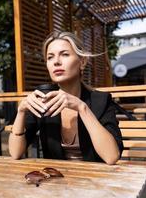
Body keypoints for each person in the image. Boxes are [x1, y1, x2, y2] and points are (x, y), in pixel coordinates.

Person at [9, 31, 123, 165]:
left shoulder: (101, 100)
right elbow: (15, 153)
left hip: (96, 180)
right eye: (50, 57)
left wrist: (82, 108)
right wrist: (21, 112)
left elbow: (111, 157)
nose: (56, 62)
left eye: (65, 54)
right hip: (55, 180)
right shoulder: (44, 101)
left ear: (82, 62)